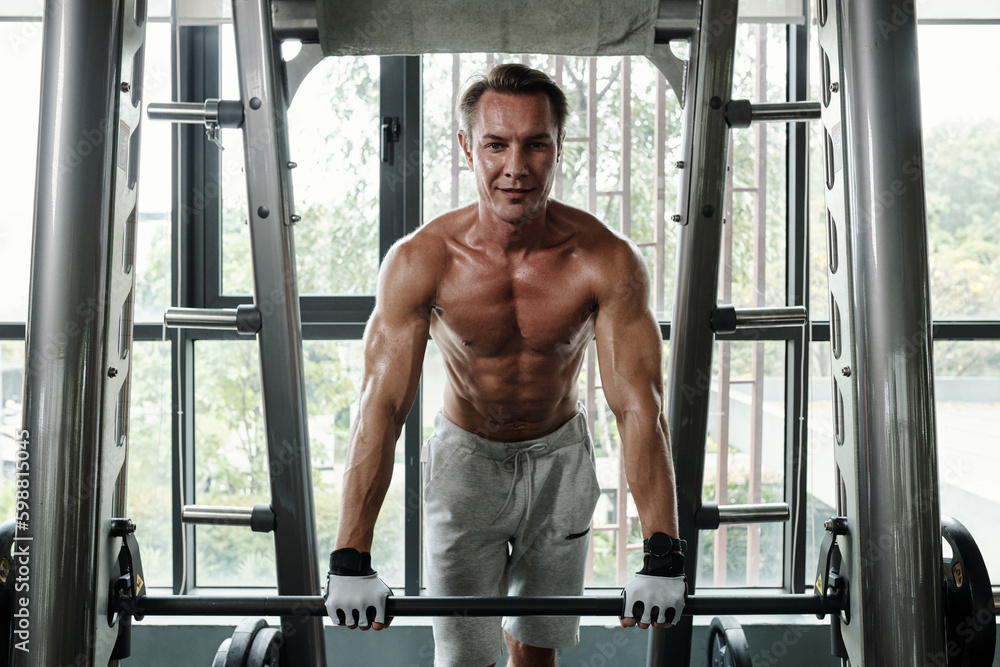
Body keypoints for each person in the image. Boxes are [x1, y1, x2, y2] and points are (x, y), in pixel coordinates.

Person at [324, 63, 685, 667]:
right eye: (495, 144)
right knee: (465, 658)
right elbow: (381, 409)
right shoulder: (421, 260)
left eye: (535, 143)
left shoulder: (605, 260)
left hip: (559, 461)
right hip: (466, 463)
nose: (515, 167)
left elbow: (638, 405)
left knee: (536, 654)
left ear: (557, 147)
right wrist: (349, 557)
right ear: (468, 147)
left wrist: (663, 552)